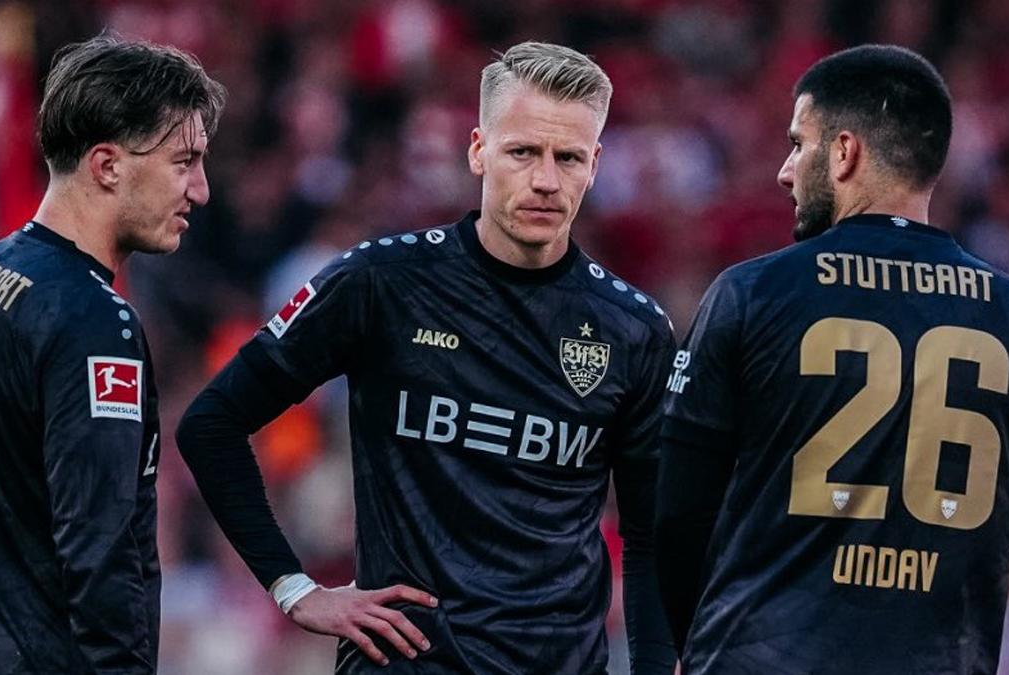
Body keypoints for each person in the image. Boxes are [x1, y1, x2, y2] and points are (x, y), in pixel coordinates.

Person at [177, 41, 675, 673]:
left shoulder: (633, 329)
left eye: (568, 157)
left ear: (596, 164)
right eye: (522, 151)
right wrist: (293, 587)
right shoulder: (382, 282)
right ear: (478, 150)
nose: (546, 179)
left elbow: (653, 534)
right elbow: (211, 423)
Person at [654, 43, 1009, 675]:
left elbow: (679, 517)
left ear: (844, 152)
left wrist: (694, 649)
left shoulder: (750, 294)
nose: (784, 169)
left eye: (798, 143)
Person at [0, 35, 225, 673]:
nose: (201, 190)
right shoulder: (95, 321)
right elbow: (99, 546)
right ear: (106, 166)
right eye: (184, 162)